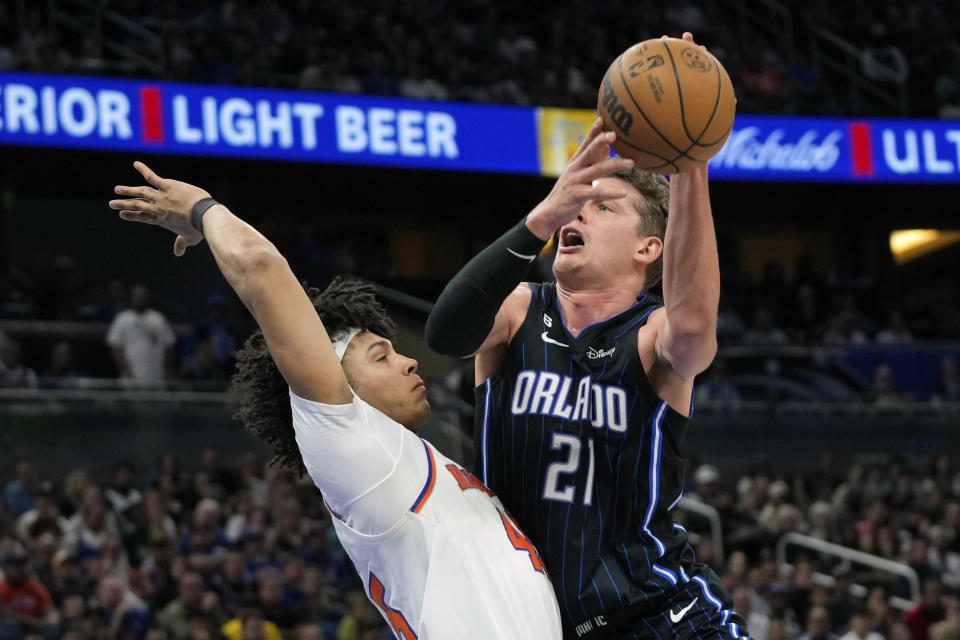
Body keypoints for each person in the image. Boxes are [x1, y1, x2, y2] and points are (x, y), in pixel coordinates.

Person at [108, 161, 562, 639]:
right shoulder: (356, 450)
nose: (409, 362)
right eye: (381, 357)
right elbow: (261, 269)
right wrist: (203, 210)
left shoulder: (416, 465)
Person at [425, 33, 746, 639]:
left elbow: (696, 332)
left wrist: (691, 165)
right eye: (578, 202)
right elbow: (446, 332)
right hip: (535, 619)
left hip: (657, 611)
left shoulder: (653, 335)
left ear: (649, 248)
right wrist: (540, 215)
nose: (578, 213)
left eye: (604, 208)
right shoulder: (518, 309)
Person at [105, 283, 176, 385]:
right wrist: (126, 371)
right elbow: (115, 347)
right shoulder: (122, 319)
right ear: (131, 298)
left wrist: (167, 370)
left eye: (142, 296)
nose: (139, 299)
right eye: (137, 296)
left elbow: (170, 343)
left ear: (147, 298)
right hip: (131, 378)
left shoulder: (158, 318)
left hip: (156, 377)